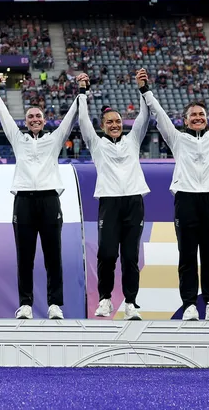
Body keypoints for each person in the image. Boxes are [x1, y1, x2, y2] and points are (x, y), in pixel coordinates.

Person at [143, 61, 209, 322]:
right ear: (184, 121)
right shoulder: (177, 139)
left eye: (201, 115)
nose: (198, 118)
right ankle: (189, 304)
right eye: (193, 115)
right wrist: (146, 90)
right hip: (185, 200)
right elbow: (160, 116)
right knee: (187, 256)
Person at [0, 80, 78, 320]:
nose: (34, 119)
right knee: (25, 256)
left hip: (50, 199)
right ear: (26, 121)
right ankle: (26, 304)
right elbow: (4, 118)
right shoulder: (18, 139)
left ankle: (54, 304)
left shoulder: (53, 139)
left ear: (44, 119)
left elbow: (69, 119)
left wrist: (81, 93)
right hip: (23, 201)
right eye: (30, 116)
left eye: (38, 116)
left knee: (53, 255)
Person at [76, 69, 151, 321]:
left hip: (134, 202)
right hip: (109, 203)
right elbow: (83, 120)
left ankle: (131, 303)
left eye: (118, 121)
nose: (115, 125)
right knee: (107, 254)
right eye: (110, 122)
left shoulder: (133, 141)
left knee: (130, 256)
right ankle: (105, 300)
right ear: (102, 126)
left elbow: (144, 116)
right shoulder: (96, 144)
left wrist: (143, 89)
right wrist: (83, 93)